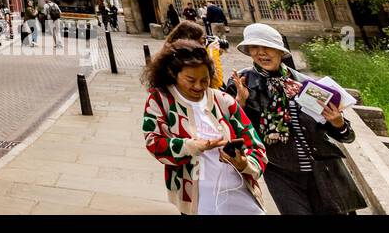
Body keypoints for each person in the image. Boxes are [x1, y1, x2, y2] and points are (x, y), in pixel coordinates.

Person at [223, 24, 365, 215]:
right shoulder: (242, 83)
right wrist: (240, 102)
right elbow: (229, 130)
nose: (261, 53)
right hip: (280, 172)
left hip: (323, 170)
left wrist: (337, 122)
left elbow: (347, 137)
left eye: (267, 47)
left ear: (280, 52)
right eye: (254, 48)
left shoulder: (305, 84)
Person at [141, 40, 267, 215]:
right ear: (172, 73)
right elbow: (154, 143)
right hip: (198, 202)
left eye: (205, 80)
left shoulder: (224, 100)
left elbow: (257, 147)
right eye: (190, 80)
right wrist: (191, 146)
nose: (199, 86)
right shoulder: (160, 100)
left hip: (241, 196)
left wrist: (244, 163)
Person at [167, 20, 224, 85]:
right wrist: (212, 53)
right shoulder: (183, 61)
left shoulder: (172, 53)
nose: (203, 46)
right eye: (202, 42)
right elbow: (215, 82)